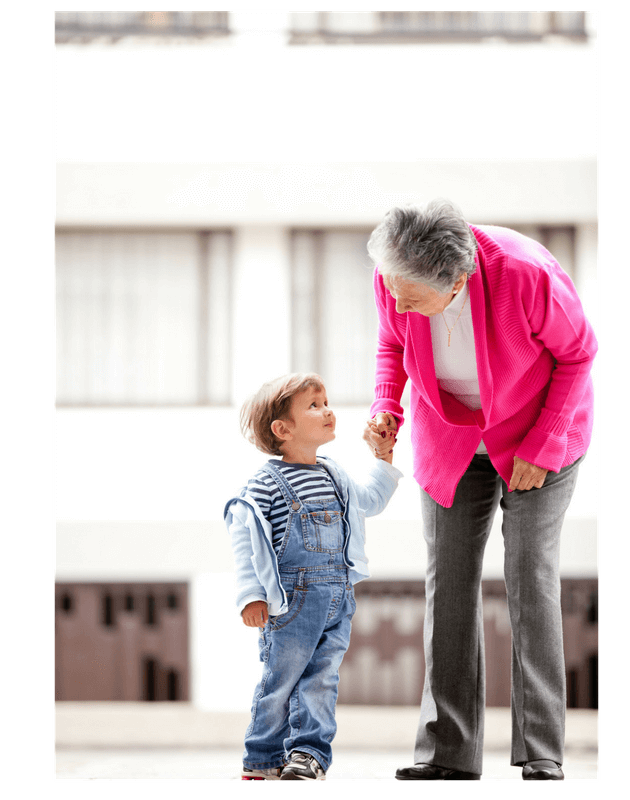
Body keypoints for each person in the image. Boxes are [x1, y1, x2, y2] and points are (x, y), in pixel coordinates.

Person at [362, 200, 597, 783]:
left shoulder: (523, 273)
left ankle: (542, 753)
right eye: (391, 288)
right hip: (450, 436)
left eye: (411, 295)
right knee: (448, 582)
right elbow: (392, 345)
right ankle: (447, 755)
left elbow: (579, 354)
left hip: (539, 428)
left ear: (457, 280)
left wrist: (542, 446)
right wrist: (385, 405)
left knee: (529, 576)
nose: (396, 301)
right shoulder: (394, 275)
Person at [224, 372, 403, 782]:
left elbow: (371, 501)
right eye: (314, 405)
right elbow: (244, 537)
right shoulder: (266, 485)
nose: (328, 410)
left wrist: (384, 456)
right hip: (290, 603)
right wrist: (251, 595)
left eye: (326, 401)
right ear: (283, 429)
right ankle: (262, 759)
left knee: (322, 679)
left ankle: (307, 756)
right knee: (280, 681)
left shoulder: (335, 474)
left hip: (337, 599)